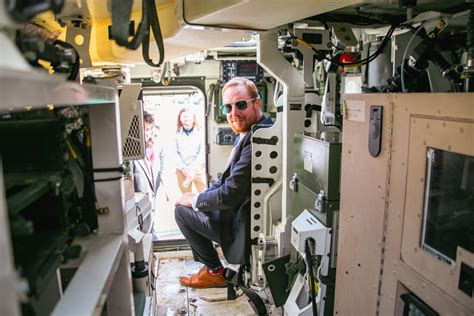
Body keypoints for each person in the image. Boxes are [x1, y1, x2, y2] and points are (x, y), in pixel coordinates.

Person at [174, 77, 272, 288]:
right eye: (228, 107)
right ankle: (213, 269)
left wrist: (195, 200)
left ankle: (214, 272)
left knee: (182, 212)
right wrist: (201, 199)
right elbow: (224, 180)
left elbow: (230, 194)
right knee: (193, 205)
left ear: (257, 103)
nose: (233, 113)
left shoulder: (260, 138)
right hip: (237, 212)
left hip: (242, 224)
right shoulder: (250, 132)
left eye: (241, 104)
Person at [132, 111, 165, 240]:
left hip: (148, 212)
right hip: (138, 216)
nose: (146, 133)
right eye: (143, 129)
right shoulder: (130, 154)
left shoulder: (144, 151)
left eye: (148, 129)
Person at [175, 107, 207, 193]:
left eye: (189, 116)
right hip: (182, 171)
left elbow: (202, 152)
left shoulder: (201, 133)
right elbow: (175, 153)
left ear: (193, 118)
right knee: (186, 196)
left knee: (205, 195)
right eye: (184, 116)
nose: (187, 119)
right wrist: (183, 169)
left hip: (198, 169)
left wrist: (192, 168)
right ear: (180, 119)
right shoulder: (176, 134)